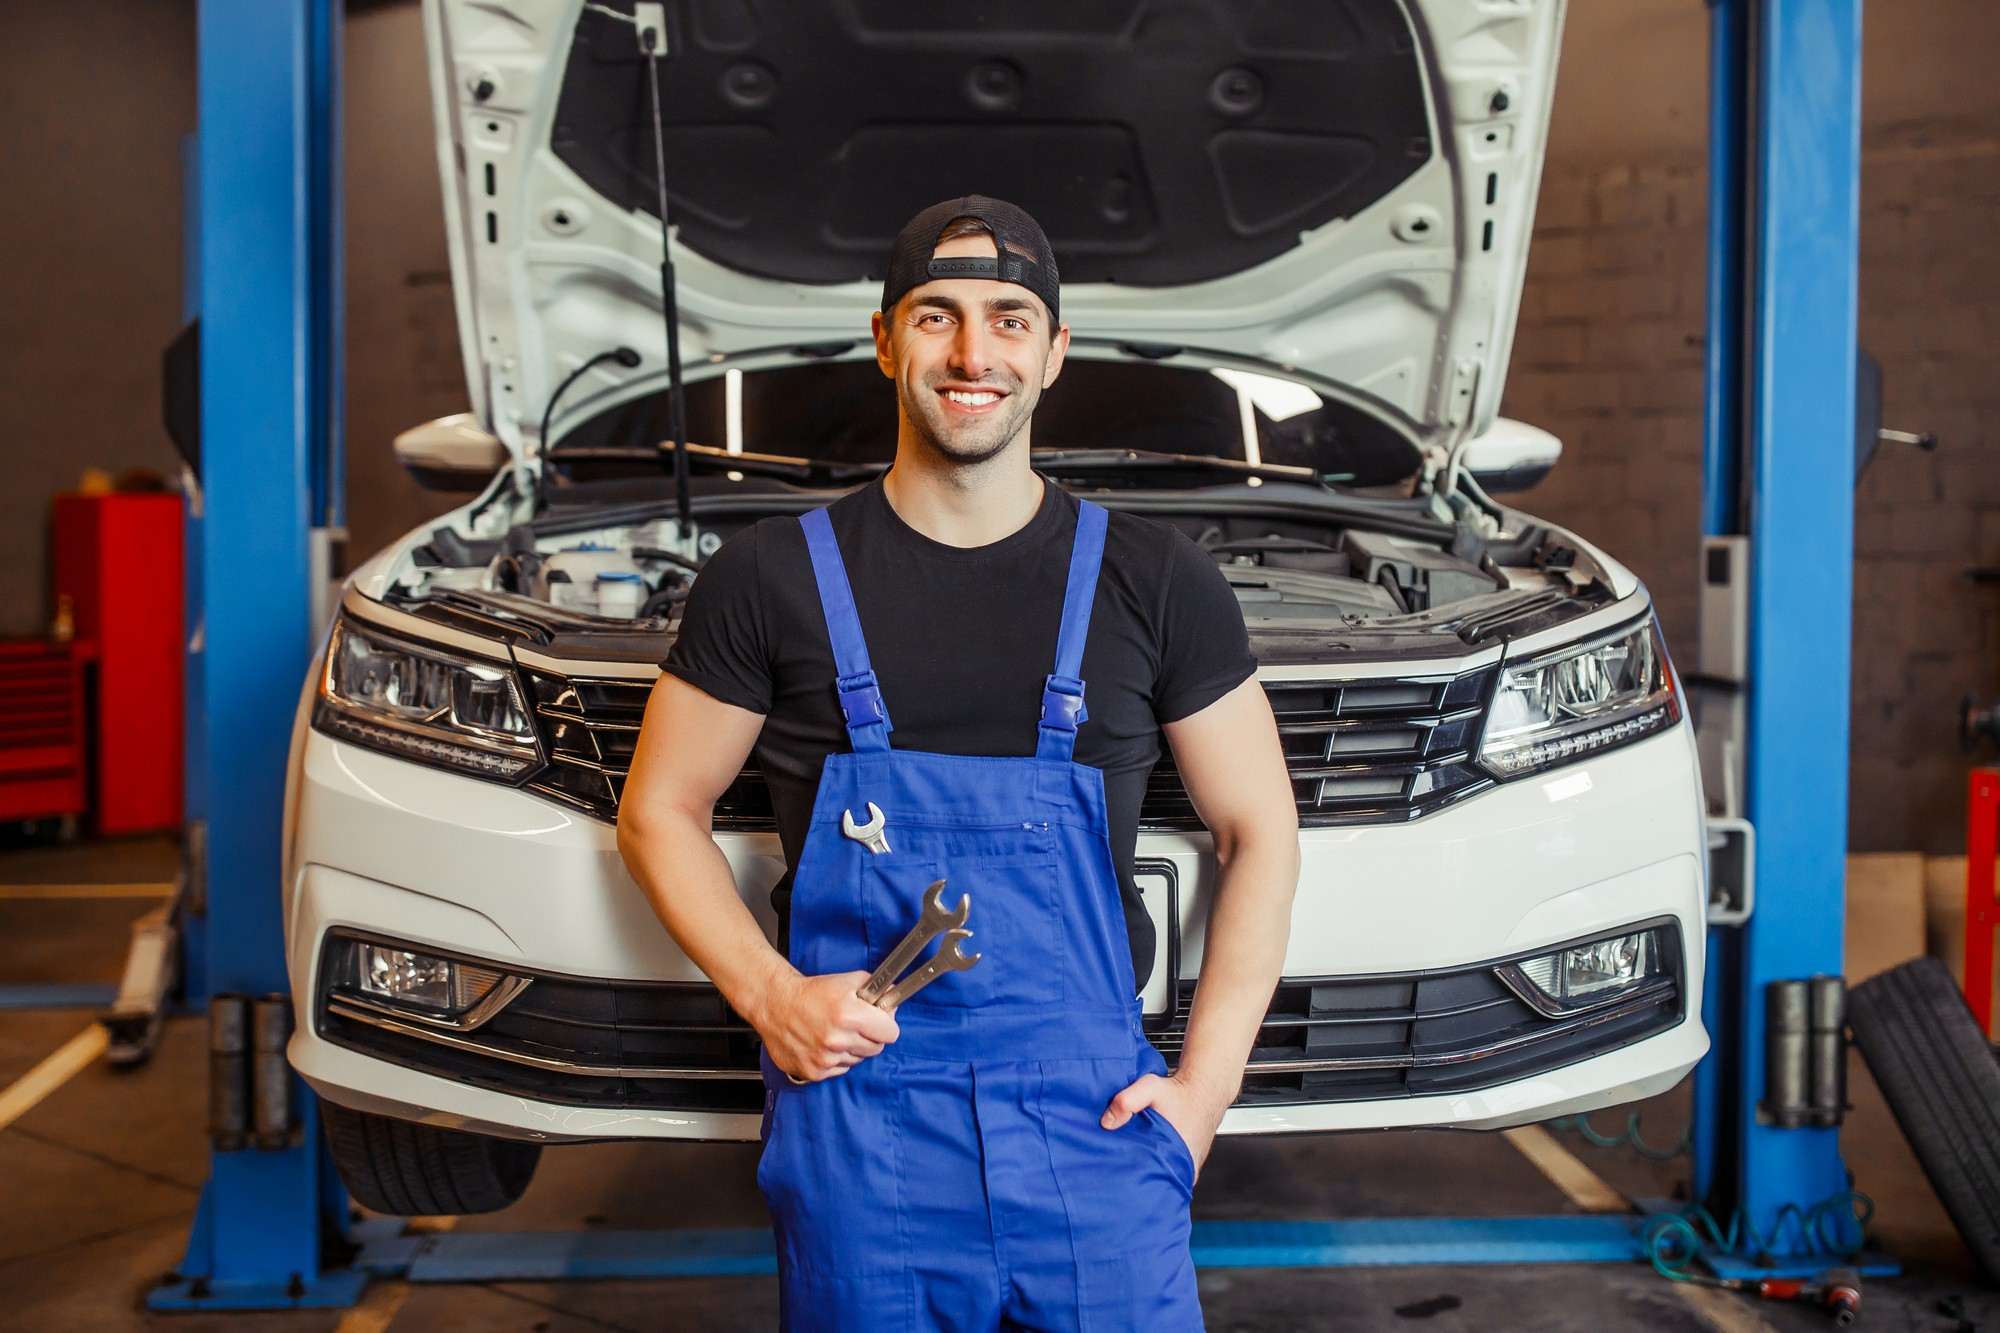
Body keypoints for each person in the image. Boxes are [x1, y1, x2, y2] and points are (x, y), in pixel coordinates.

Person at [618, 195, 1300, 1331]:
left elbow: (1259, 831)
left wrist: (1204, 1093)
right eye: (935, 317)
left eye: (1009, 319)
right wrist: (769, 994)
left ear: (1053, 353)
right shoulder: (768, 577)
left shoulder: (1156, 580)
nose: (973, 353)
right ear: (885, 341)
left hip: (1098, 1122)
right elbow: (657, 812)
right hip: (859, 1123)